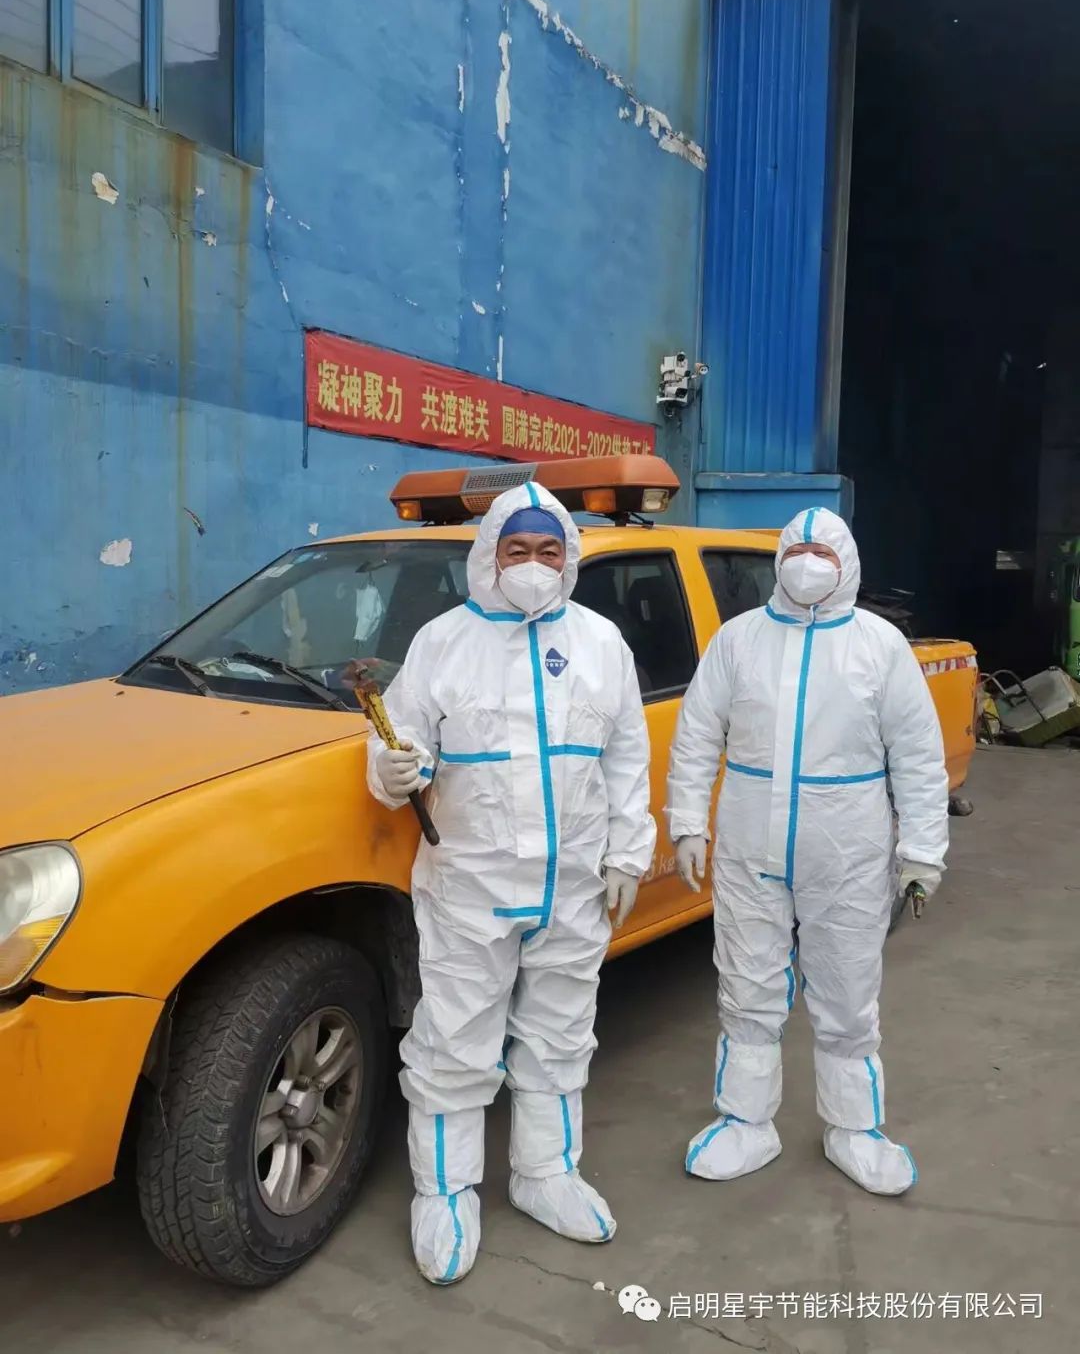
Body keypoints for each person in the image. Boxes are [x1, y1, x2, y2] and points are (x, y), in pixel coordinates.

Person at [366, 481, 655, 1284]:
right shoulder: (442, 642)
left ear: (569, 556)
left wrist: (629, 852)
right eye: (518, 549)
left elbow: (626, 757)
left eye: (548, 549)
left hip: (573, 882)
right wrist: (392, 768)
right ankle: (445, 1190)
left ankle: (545, 1172)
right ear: (490, 556)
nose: (533, 563)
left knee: (561, 1032)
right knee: (455, 1038)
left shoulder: (600, 642)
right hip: (471, 884)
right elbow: (395, 741)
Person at [666, 507, 947, 1196]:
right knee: (746, 983)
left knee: (847, 989)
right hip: (749, 846)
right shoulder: (739, 640)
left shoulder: (880, 646)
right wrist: (687, 821)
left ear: (847, 563)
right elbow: (697, 734)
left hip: (847, 849)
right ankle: (745, 1119)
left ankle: (854, 1127)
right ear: (779, 560)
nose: (809, 563)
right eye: (798, 550)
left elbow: (917, 755)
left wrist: (922, 850)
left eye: (824, 552)